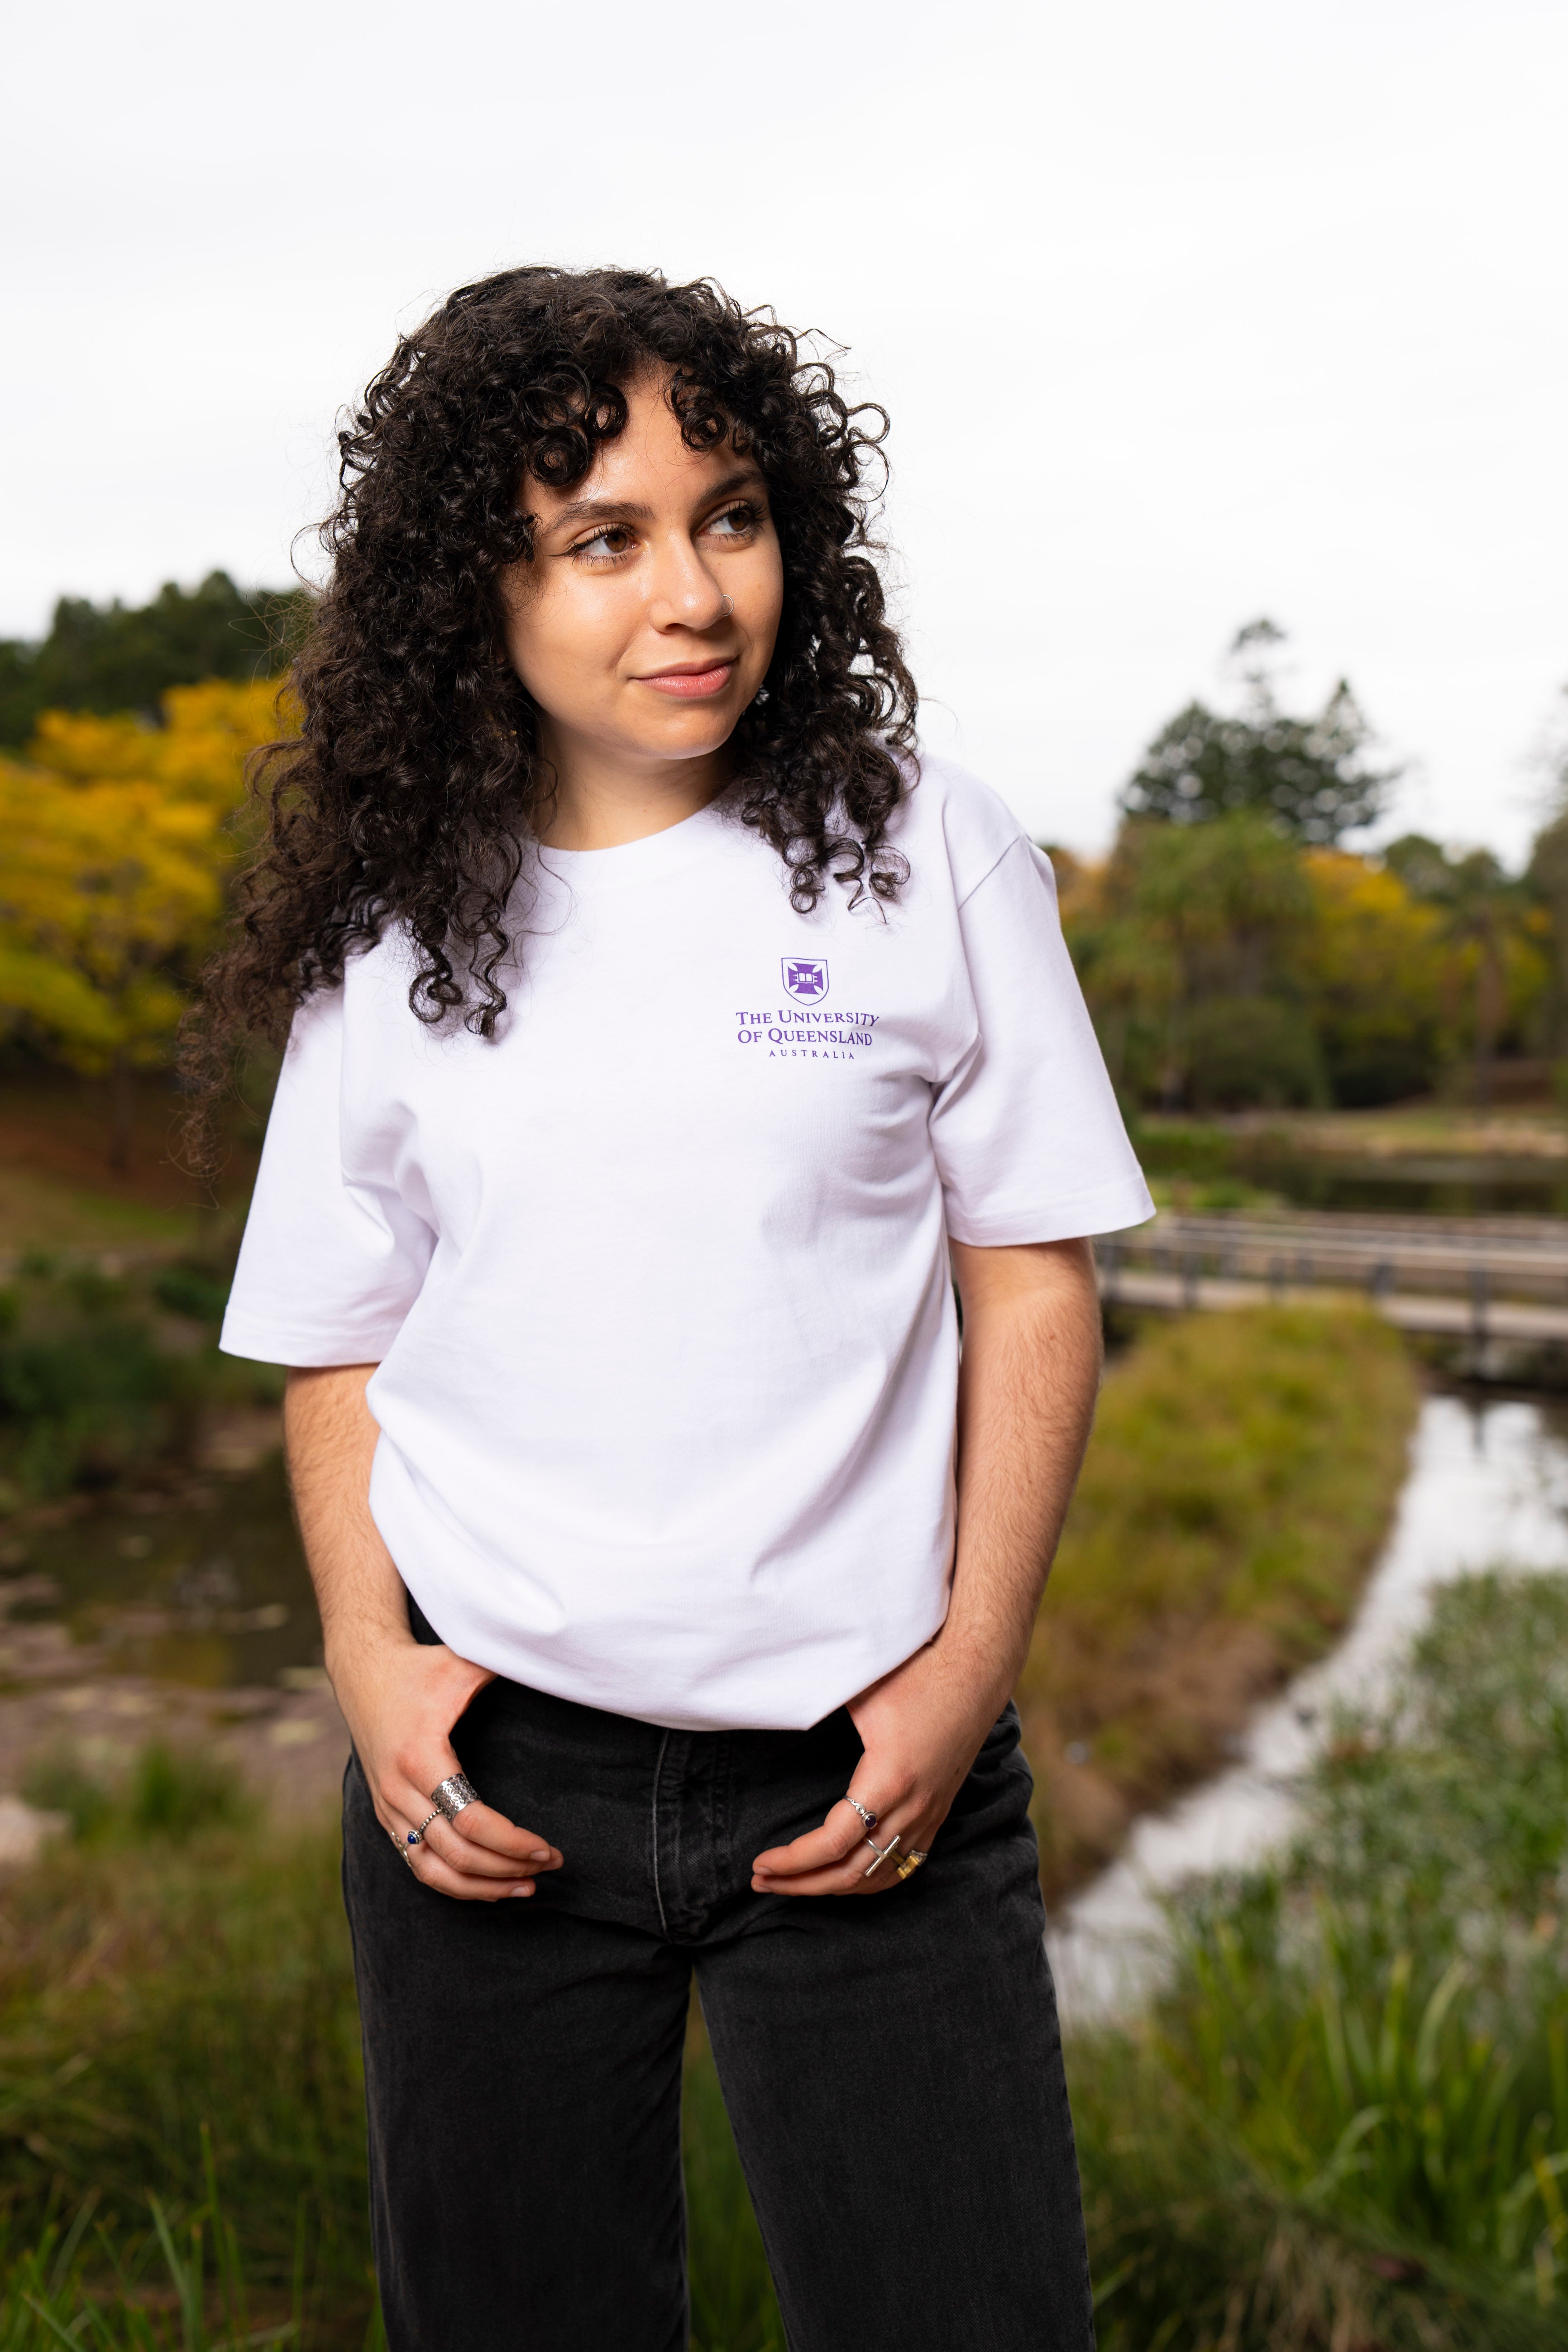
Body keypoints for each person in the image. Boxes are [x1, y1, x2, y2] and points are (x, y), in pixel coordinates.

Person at [204, 265, 1152, 2352]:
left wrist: (964, 1670)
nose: (694, 593)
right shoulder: (389, 930)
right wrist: (369, 1661)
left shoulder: (923, 848)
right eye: (601, 538)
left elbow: (1031, 1273)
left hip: (866, 1764)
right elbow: (346, 1335)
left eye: (729, 513)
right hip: (491, 1792)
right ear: (482, 585)